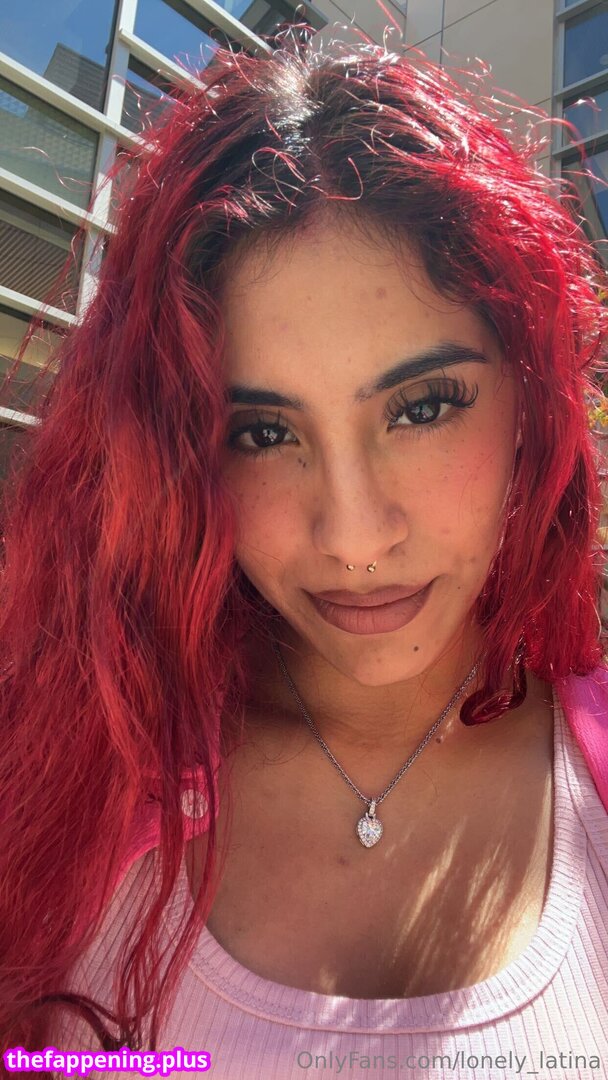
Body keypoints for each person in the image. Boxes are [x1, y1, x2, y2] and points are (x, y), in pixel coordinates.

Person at [1, 25, 608, 1080]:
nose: (354, 535)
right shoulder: (60, 765)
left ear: (531, 401)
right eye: (262, 432)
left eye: (423, 407)